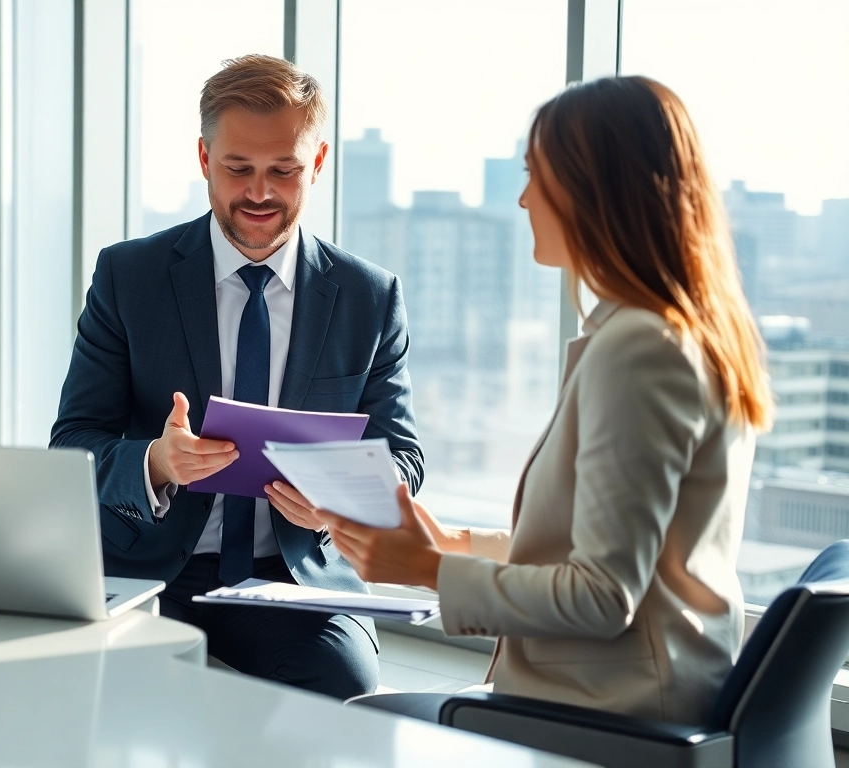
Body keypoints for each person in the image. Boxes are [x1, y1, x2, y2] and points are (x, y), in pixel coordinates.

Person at [320, 76, 773, 725]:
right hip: (640, 691)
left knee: (353, 728)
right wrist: (452, 544)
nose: (525, 197)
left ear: (595, 191)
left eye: (539, 176)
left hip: (614, 710)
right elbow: (605, 550)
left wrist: (428, 570)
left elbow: (601, 595)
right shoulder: (670, 332)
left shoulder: (640, 350)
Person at [51, 55, 424, 700]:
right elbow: (73, 442)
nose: (259, 193)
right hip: (147, 570)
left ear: (319, 161)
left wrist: (339, 495)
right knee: (94, 691)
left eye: (284, 170)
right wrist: (155, 463)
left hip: (294, 574)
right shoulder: (128, 277)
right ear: (203, 158)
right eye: (238, 169)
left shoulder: (369, 296)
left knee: (344, 685)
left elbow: (405, 457)